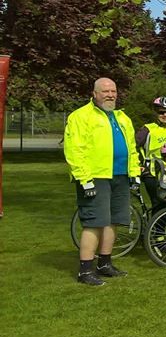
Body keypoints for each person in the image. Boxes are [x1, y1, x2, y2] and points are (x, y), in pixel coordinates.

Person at [64, 77, 139, 286]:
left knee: (114, 220)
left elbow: (131, 148)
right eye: (105, 91)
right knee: (95, 222)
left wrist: (134, 173)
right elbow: (74, 150)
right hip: (95, 176)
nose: (110, 95)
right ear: (94, 93)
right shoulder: (81, 116)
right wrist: (85, 179)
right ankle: (85, 270)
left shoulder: (122, 117)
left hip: (120, 175)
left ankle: (104, 264)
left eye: (113, 91)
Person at [135, 96, 166, 207]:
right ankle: (153, 224)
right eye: (161, 112)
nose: (165, 115)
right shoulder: (148, 129)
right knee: (158, 205)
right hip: (152, 172)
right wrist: (137, 164)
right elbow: (132, 146)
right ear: (156, 113)